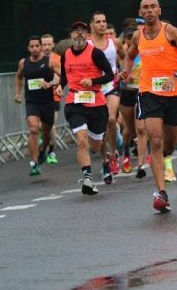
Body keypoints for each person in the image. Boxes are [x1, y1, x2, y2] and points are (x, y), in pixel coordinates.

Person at [122, 0, 177, 212]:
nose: (149, 11)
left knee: (170, 143)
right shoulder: (138, 35)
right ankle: (161, 193)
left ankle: (167, 157)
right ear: (140, 11)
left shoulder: (171, 32)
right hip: (148, 93)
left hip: (173, 93)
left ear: (159, 10)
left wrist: (176, 75)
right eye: (145, 8)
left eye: (152, 7)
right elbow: (129, 55)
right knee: (155, 140)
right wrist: (127, 71)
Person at [57, 21, 114, 195]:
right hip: (75, 102)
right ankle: (88, 178)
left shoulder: (95, 54)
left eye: (83, 31)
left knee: (95, 145)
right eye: (76, 31)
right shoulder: (66, 55)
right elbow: (65, 76)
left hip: (96, 103)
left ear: (88, 35)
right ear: (71, 35)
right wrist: (60, 85)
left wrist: (93, 81)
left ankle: (104, 158)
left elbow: (110, 75)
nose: (79, 34)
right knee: (82, 140)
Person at [89, 11, 125, 184]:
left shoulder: (114, 42)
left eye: (104, 21)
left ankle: (113, 154)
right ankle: (105, 161)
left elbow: (125, 57)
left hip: (111, 86)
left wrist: (123, 72)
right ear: (92, 25)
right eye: (98, 22)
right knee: (100, 128)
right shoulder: (87, 44)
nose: (102, 24)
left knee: (111, 119)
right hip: (95, 90)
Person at [15, 36, 59, 176]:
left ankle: (43, 151)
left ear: (40, 47)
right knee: (33, 129)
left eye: (36, 46)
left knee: (46, 134)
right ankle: (34, 163)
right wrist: (17, 93)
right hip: (32, 103)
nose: (34, 48)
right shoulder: (23, 63)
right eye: (31, 46)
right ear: (28, 48)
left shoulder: (50, 61)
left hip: (48, 103)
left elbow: (62, 76)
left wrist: (51, 84)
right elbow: (19, 76)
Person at [118, 26, 148, 177]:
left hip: (141, 92)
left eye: (133, 37)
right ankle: (126, 153)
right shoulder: (121, 54)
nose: (131, 40)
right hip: (126, 93)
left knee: (141, 129)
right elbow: (113, 72)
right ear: (125, 39)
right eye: (128, 37)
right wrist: (122, 75)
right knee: (129, 131)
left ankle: (141, 165)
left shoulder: (144, 51)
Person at [40, 34, 61, 164]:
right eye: (44, 45)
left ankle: (51, 151)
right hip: (38, 99)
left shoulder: (56, 59)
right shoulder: (36, 60)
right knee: (38, 126)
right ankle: (44, 142)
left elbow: (61, 77)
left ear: (53, 45)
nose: (46, 47)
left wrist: (53, 83)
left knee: (51, 125)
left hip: (53, 97)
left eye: (49, 44)